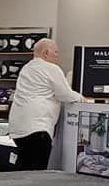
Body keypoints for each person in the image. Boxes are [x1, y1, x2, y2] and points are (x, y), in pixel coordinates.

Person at [8, 39, 81, 170]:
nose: (57, 55)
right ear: (46, 52)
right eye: (56, 52)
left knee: (25, 167)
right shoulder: (51, 68)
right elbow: (65, 94)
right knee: (38, 170)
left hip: (18, 128)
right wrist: (82, 99)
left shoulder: (27, 68)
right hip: (37, 128)